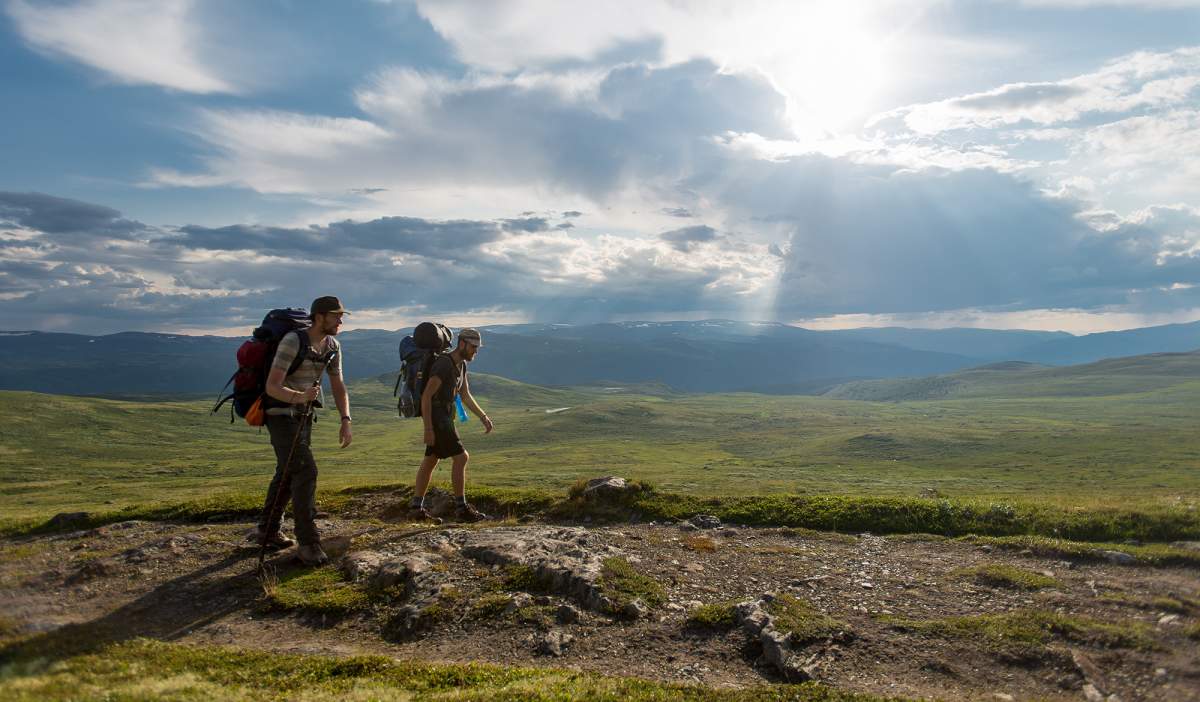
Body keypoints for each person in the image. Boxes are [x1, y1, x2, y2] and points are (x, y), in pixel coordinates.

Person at [248, 296, 353, 565]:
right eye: (336, 316)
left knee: (288, 470)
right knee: (305, 470)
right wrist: (300, 396)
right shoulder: (293, 341)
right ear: (319, 317)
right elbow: (272, 386)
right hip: (279, 414)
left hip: (304, 416)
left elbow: (338, 384)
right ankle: (308, 543)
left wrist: (346, 419)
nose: (341, 320)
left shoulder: (332, 345)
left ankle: (266, 531)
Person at [407, 327, 494, 523]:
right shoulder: (444, 364)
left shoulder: (461, 365)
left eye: (477, 348)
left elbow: (465, 395)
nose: (475, 351)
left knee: (431, 459)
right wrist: (428, 428)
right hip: (439, 418)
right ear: (462, 344)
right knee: (462, 457)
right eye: (473, 347)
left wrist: (483, 416)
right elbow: (427, 396)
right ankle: (461, 509)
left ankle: (415, 507)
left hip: (445, 416)